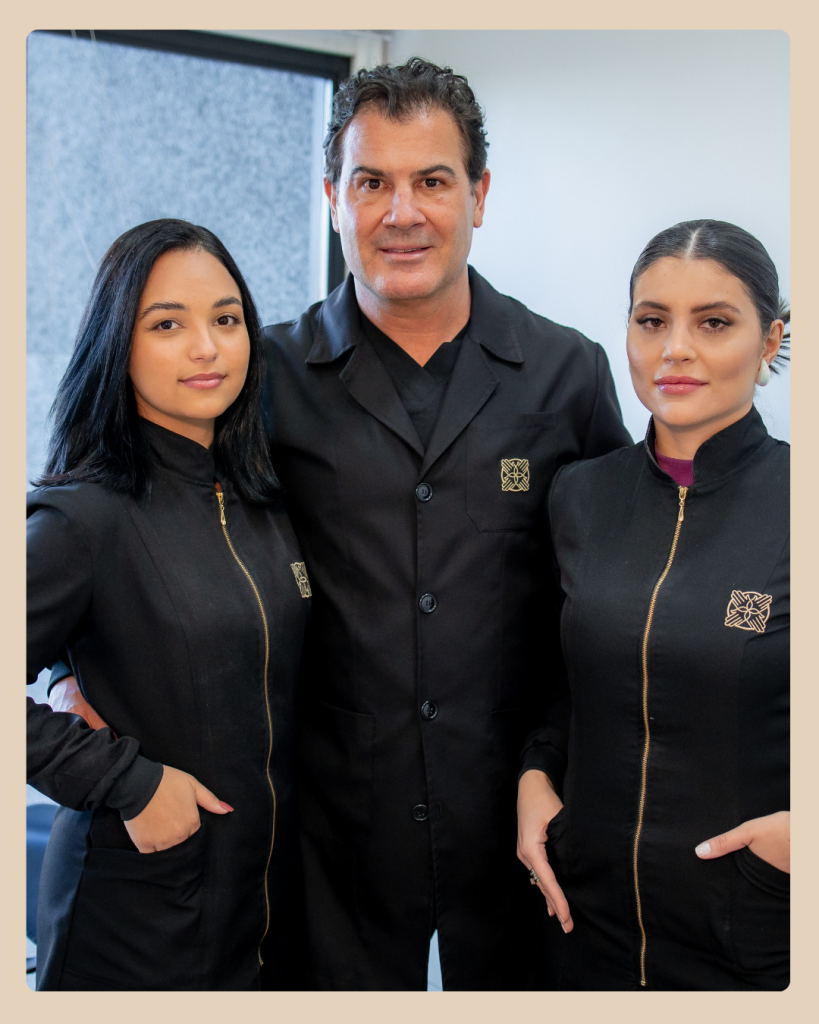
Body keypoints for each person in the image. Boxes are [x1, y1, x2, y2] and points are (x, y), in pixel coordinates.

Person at [52, 58, 632, 990]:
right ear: (332, 198)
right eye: (370, 183)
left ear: (479, 195)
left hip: (520, 823)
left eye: (431, 181)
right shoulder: (258, 378)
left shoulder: (567, 373)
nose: (401, 213)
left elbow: (612, 598)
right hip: (317, 843)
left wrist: (557, 761)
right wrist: (63, 679)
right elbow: (140, 525)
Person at [28, 219, 310, 990]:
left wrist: (64, 668)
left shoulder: (259, 500)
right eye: (167, 324)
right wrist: (124, 782)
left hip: (261, 917)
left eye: (226, 319)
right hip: (136, 922)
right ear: (117, 343)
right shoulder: (82, 516)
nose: (206, 347)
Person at [517, 219, 789, 990]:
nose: (675, 348)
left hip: (751, 932)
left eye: (713, 322)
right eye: (650, 320)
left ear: (769, 341)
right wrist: (535, 773)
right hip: (580, 923)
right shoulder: (578, 495)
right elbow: (563, 681)